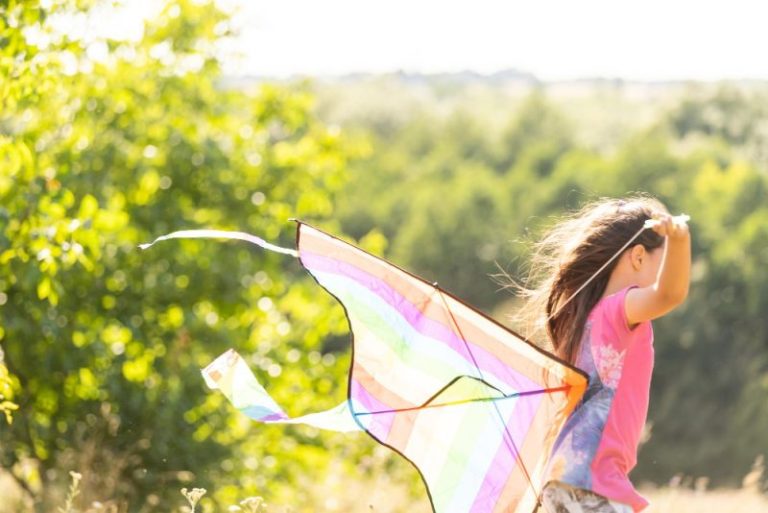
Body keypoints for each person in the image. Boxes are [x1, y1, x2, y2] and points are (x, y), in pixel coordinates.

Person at [515, 196, 691, 513]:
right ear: (638, 257)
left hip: (565, 480)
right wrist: (679, 240)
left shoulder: (581, 320)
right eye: (661, 263)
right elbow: (670, 294)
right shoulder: (619, 309)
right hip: (593, 484)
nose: (661, 275)